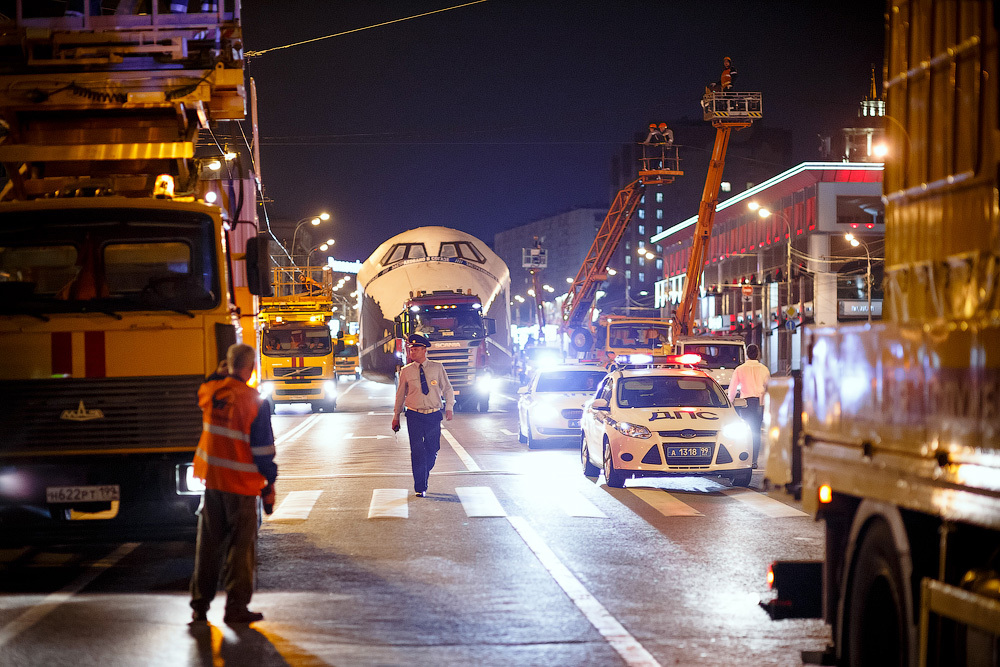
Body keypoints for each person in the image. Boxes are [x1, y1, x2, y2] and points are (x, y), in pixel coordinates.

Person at [190, 343, 277, 625]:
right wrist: (269, 487)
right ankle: (236, 608)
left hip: (212, 482)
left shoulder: (210, 393)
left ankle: (200, 606)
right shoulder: (254, 401)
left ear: (227, 365)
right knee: (241, 550)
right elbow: (263, 453)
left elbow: (207, 381)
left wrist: (222, 370)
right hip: (241, 487)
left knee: (208, 546)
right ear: (251, 368)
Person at [391, 333, 454, 497]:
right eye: (411, 349)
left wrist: (450, 407)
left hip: (433, 415)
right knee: (417, 451)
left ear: (424, 350)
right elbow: (400, 395)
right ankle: (420, 486)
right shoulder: (406, 371)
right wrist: (396, 416)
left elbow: (447, 388)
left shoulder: (437, 368)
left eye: (416, 349)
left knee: (433, 449)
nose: (412, 352)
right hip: (414, 415)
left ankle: (424, 471)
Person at [727, 343, 770, 468]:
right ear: (758, 354)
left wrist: (730, 402)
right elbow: (769, 388)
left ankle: (744, 457)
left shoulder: (740, 369)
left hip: (745, 404)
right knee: (756, 431)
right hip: (759, 403)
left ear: (746, 354)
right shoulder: (764, 369)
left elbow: (732, 389)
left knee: (745, 431)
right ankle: (754, 460)